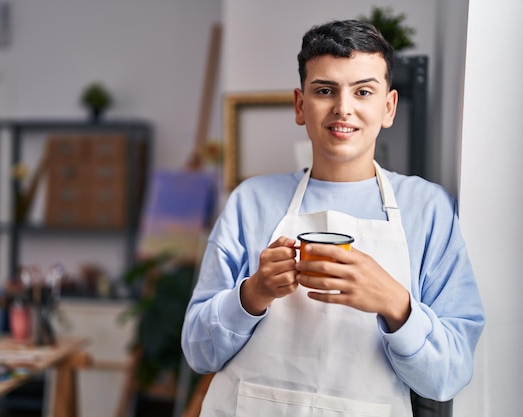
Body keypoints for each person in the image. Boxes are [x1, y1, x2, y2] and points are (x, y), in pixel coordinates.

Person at [181, 19, 485, 417]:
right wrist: (253, 293)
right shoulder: (250, 202)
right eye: (325, 90)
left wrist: (395, 303)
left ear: (388, 107)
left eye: (363, 91)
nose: (344, 108)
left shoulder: (427, 210)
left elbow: (448, 376)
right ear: (300, 105)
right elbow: (198, 354)